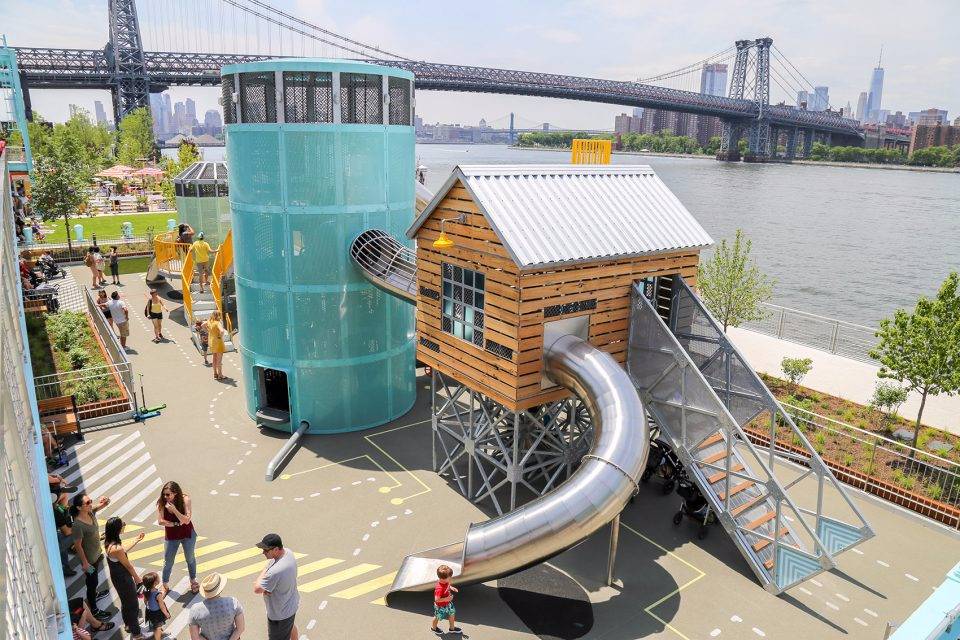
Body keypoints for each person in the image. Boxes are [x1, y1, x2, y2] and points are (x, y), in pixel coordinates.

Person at [70, 493, 112, 621]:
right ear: (79, 507)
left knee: (94, 581)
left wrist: (105, 500)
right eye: (87, 503)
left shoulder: (90, 512)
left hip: (96, 554)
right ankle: (93, 609)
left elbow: (103, 504)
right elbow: (78, 546)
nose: (90, 504)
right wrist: (85, 563)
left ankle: (95, 595)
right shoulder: (77, 525)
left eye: (90, 501)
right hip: (89, 560)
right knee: (92, 583)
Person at [104, 516, 146, 639]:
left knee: (125, 602)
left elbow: (122, 552)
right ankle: (137, 633)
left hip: (117, 578)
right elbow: (128, 566)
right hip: (124, 579)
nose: (124, 526)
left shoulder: (109, 542)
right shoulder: (116, 548)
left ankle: (128, 625)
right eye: (122, 524)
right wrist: (138, 579)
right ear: (117, 529)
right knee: (132, 605)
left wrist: (136, 540)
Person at [254, 533, 299, 640]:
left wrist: (265, 571)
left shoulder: (275, 571)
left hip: (280, 615)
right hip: (290, 604)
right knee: (290, 626)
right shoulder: (288, 552)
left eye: (266, 550)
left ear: (276, 549)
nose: (263, 552)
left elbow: (257, 588)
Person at [157, 481, 199, 594]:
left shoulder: (185, 500)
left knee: (190, 558)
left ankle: (193, 580)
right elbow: (161, 521)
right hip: (171, 536)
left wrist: (174, 510)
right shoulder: (161, 502)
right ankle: (165, 584)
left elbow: (186, 520)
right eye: (164, 494)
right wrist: (175, 524)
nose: (165, 497)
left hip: (187, 534)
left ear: (175, 493)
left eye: (168, 494)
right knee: (168, 561)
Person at [189, 572, 245, 640]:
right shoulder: (233, 603)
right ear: (220, 589)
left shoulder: (195, 610)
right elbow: (240, 628)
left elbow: (195, 637)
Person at [431, 564, 462, 636]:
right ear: (443, 579)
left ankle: (452, 628)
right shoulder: (439, 588)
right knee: (437, 617)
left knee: (452, 613)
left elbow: (448, 585)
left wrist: (451, 588)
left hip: (448, 603)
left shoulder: (446, 582)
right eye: (449, 577)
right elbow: (437, 599)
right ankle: (433, 628)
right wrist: (446, 598)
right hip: (440, 606)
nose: (450, 578)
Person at [53, 492, 76, 577]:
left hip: (55, 534)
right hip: (54, 543)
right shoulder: (57, 512)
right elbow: (67, 532)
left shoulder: (55, 508)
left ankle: (65, 566)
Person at [142, 572, 171, 640]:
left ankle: (160, 633)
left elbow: (145, 601)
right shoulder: (158, 594)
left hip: (150, 612)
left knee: (155, 625)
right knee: (158, 627)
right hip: (157, 614)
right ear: (155, 583)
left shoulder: (146, 591)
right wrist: (166, 614)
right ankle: (158, 636)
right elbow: (162, 606)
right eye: (158, 578)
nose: (159, 578)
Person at [205, 311, 226, 380]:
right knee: (219, 360)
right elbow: (222, 331)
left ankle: (215, 374)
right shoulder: (217, 323)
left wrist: (208, 331)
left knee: (214, 358)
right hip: (218, 342)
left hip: (211, 342)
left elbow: (202, 325)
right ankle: (220, 375)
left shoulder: (209, 321)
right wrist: (220, 336)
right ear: (219, 316)